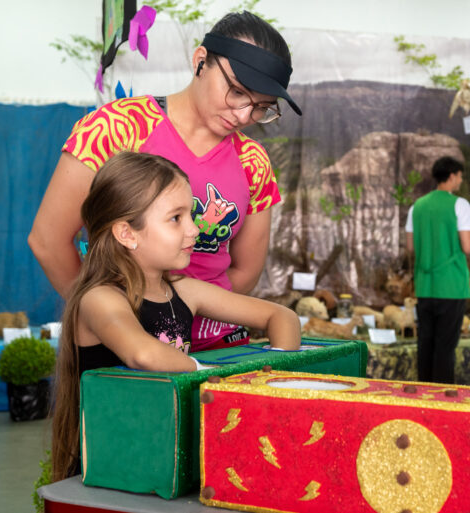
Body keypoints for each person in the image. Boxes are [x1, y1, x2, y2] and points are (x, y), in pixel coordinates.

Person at [29, 11, 302, 352]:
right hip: (126, 346)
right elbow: (47, 240)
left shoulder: (253, 162)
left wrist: (188, 314)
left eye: (262, 107)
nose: (245, 115)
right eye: (236, 92)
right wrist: (109, 320)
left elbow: (245, 271)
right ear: (200, 61)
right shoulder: (117, 129)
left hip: (219, 345)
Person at [50, 152, 301, 481]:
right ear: (127, 233)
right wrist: (218, 379)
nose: (194, 230)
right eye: (176, 218)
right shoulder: (100, 299)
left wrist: (272, 389)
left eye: (191, 216)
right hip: (115, 469)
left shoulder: (185, 290)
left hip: (168, 457)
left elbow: (282, 317)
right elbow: (144, 353)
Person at [405, 156, 470, 384]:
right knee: (445, 347)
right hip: (451, 285)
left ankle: (423, 394)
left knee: (425, 343)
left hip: (425, 285)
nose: (461, 181)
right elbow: (467, 246)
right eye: (460, 176)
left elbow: (410, 246)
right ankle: (441, 399)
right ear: (452, 176)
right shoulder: (460, 204)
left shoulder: (417, 206)